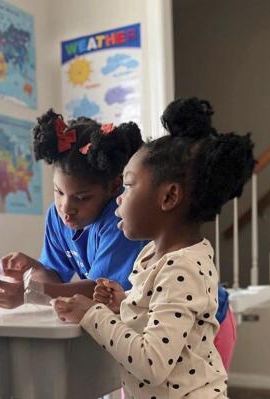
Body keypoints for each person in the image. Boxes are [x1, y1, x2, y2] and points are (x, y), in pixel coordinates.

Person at [54, 97, 255, 398]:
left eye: (129, 186)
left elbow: (152, 362)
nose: (119, 199)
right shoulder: (152, 254)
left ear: (169, 197)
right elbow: (157, 320)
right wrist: (122, 303)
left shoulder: (182, 268)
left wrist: (92, 313)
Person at [0, 109, 147, 308]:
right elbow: (55, 278)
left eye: (82, 198)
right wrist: (32, 269)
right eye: (58, 192)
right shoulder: (56, 215)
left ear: (114, 187)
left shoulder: (122, 219)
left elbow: (100, 292)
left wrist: (30, 293)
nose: (67, 208)